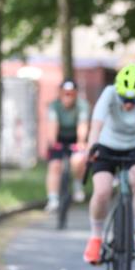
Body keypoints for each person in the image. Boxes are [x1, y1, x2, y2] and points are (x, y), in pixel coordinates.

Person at [82, 64, 135, 265]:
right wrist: (91, 147)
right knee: (102, 191)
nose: (128, 105)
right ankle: (95, 238)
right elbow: (96, 125)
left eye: (134, 101)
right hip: (107, 144)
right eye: (124, 99)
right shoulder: (109, 93)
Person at [44, 80, 89, 212]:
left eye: (71, 94)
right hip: (59, 138)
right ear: (60, 93)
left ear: (75, 94)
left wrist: (81, 142)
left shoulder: (82, 106)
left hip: (75, 139)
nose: (68, 97)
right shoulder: (54, 106)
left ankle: (77, 185)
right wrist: (52, 141)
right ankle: (53, 199)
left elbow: (83, 125)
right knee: (55, 165)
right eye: (65, 94)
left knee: (78, 160)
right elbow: (52, 125)